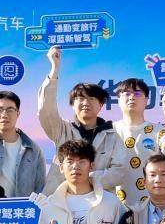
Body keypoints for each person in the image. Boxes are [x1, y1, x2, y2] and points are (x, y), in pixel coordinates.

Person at [37, 46, 130, 193]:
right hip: (61, 199)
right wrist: (54, 70)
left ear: (101, 105)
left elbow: (120, 171)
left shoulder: (113, 137)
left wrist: (86, 179)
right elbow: (46, 110)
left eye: (91, 99)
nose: (86, 103)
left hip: (98, 201)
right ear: (72, 104)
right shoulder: (62, 130)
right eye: (80, 98)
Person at [111, 78, 165, 205]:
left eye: (137, 93)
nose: (132, 97)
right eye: (127, 93)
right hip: (115, 208)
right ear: (118, 100)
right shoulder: (108, 131)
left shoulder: (158, 131)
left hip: (151, 208)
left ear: (146, 100)